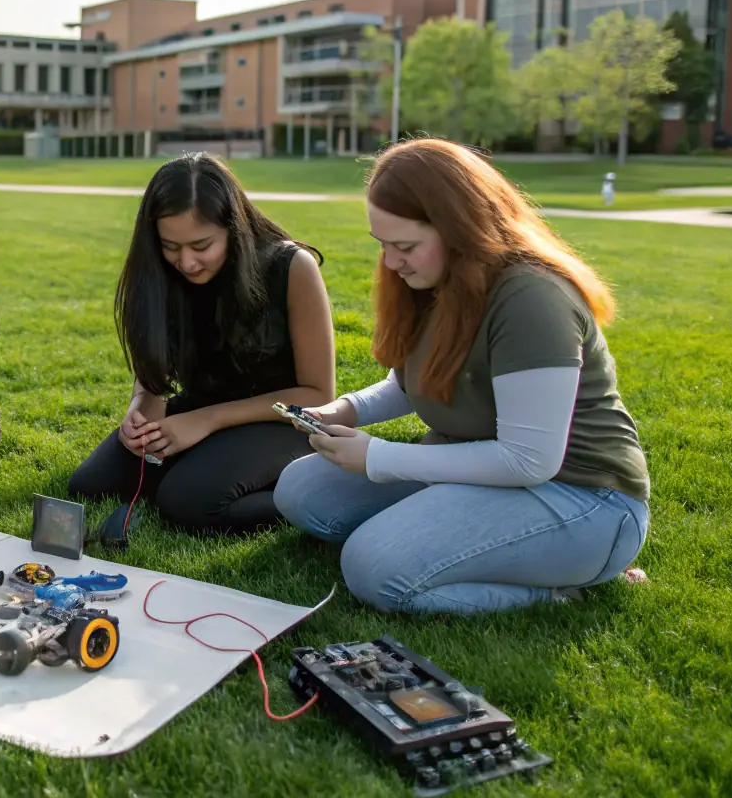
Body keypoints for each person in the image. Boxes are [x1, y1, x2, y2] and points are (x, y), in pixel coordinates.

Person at [274, 139, 650, 614]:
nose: (391, 262)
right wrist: (345, 409)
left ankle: (560, 591)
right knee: (303, 491)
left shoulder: (531, 299)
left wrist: (381, 457)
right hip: (481, 472)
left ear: (459, 229)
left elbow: (528, 460)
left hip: (583, 499)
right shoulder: (434, 279)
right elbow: (410, 383)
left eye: (405, 246)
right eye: (383, 245)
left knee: (374, 567)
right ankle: (448, 537)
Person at [68, 153, 335, 533]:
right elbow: (154, 373)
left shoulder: (291, 267)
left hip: (283, 421)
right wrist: (142, 410)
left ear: (234, 227)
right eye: (171, 246)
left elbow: (319, 393)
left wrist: (206, 421)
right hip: (200, 411)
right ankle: (210, 466)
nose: (187, 262)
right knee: (91, 485)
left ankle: (316, 487)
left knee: (187, 503)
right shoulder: (160, 272)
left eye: (202, 244)